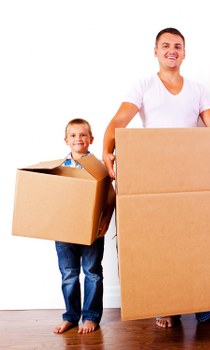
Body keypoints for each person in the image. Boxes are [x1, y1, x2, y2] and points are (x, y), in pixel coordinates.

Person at [102, 27, 210, 328]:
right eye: (165, 46)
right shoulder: (144, 85)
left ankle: (207, 309)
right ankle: (168, 305)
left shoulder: (198, 89)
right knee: (163, 241)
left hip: (193, 173)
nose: (171, 50)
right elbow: (118, 122)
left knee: (199, 240)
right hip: (155, 173)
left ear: (184, 53)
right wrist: (108, 152)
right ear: (156, 51)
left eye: (177, 46)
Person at [54, 118, 111, 334]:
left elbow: (110, 196)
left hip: (92, 229)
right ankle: (70, 317)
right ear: (66, 140)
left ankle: (91, 317)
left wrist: (105, 221)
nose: (79, 138)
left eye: (83, 134)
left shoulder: (99, 167)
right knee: (68, 273)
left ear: (91, 139)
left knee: (92, 272)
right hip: (64, 230)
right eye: (74, 135)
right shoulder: (58, 168)